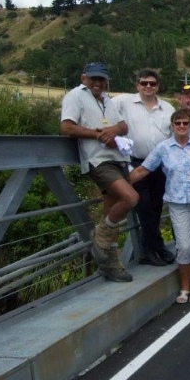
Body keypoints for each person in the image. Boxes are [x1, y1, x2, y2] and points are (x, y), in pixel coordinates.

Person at [60, 62, 138, 283]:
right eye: (93, 78)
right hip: (99, 160)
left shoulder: (106, 99)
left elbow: (123, 126)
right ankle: (100, 235)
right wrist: (97, 135)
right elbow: (66, 127)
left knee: (111, 211)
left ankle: (110, 266)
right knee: (131, 198)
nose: (97, 83)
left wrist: (113, 130)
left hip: (118, 158)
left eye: (101, 79)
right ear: (83, 78)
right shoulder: (76, 96)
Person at [129, 109, 190, 304]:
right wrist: (118, 186)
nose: (182, 126)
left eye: (185, 123)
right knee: (184, 246)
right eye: (178, 123)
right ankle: (184, 287)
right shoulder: (163, 148)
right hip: (177, 203)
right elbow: (142, 170)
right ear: (172, 126)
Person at [112, 69, 175, 267]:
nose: (148, 86)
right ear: (137, 84)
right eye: (144, 83)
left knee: (156, 206)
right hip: (136, 163)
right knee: (144, 205)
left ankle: (156, 247)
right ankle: (152, 249)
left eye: (152, 83)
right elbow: (103, 110)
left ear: (158, 86)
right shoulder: (123, 102)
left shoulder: (167, 108)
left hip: (159, 165)